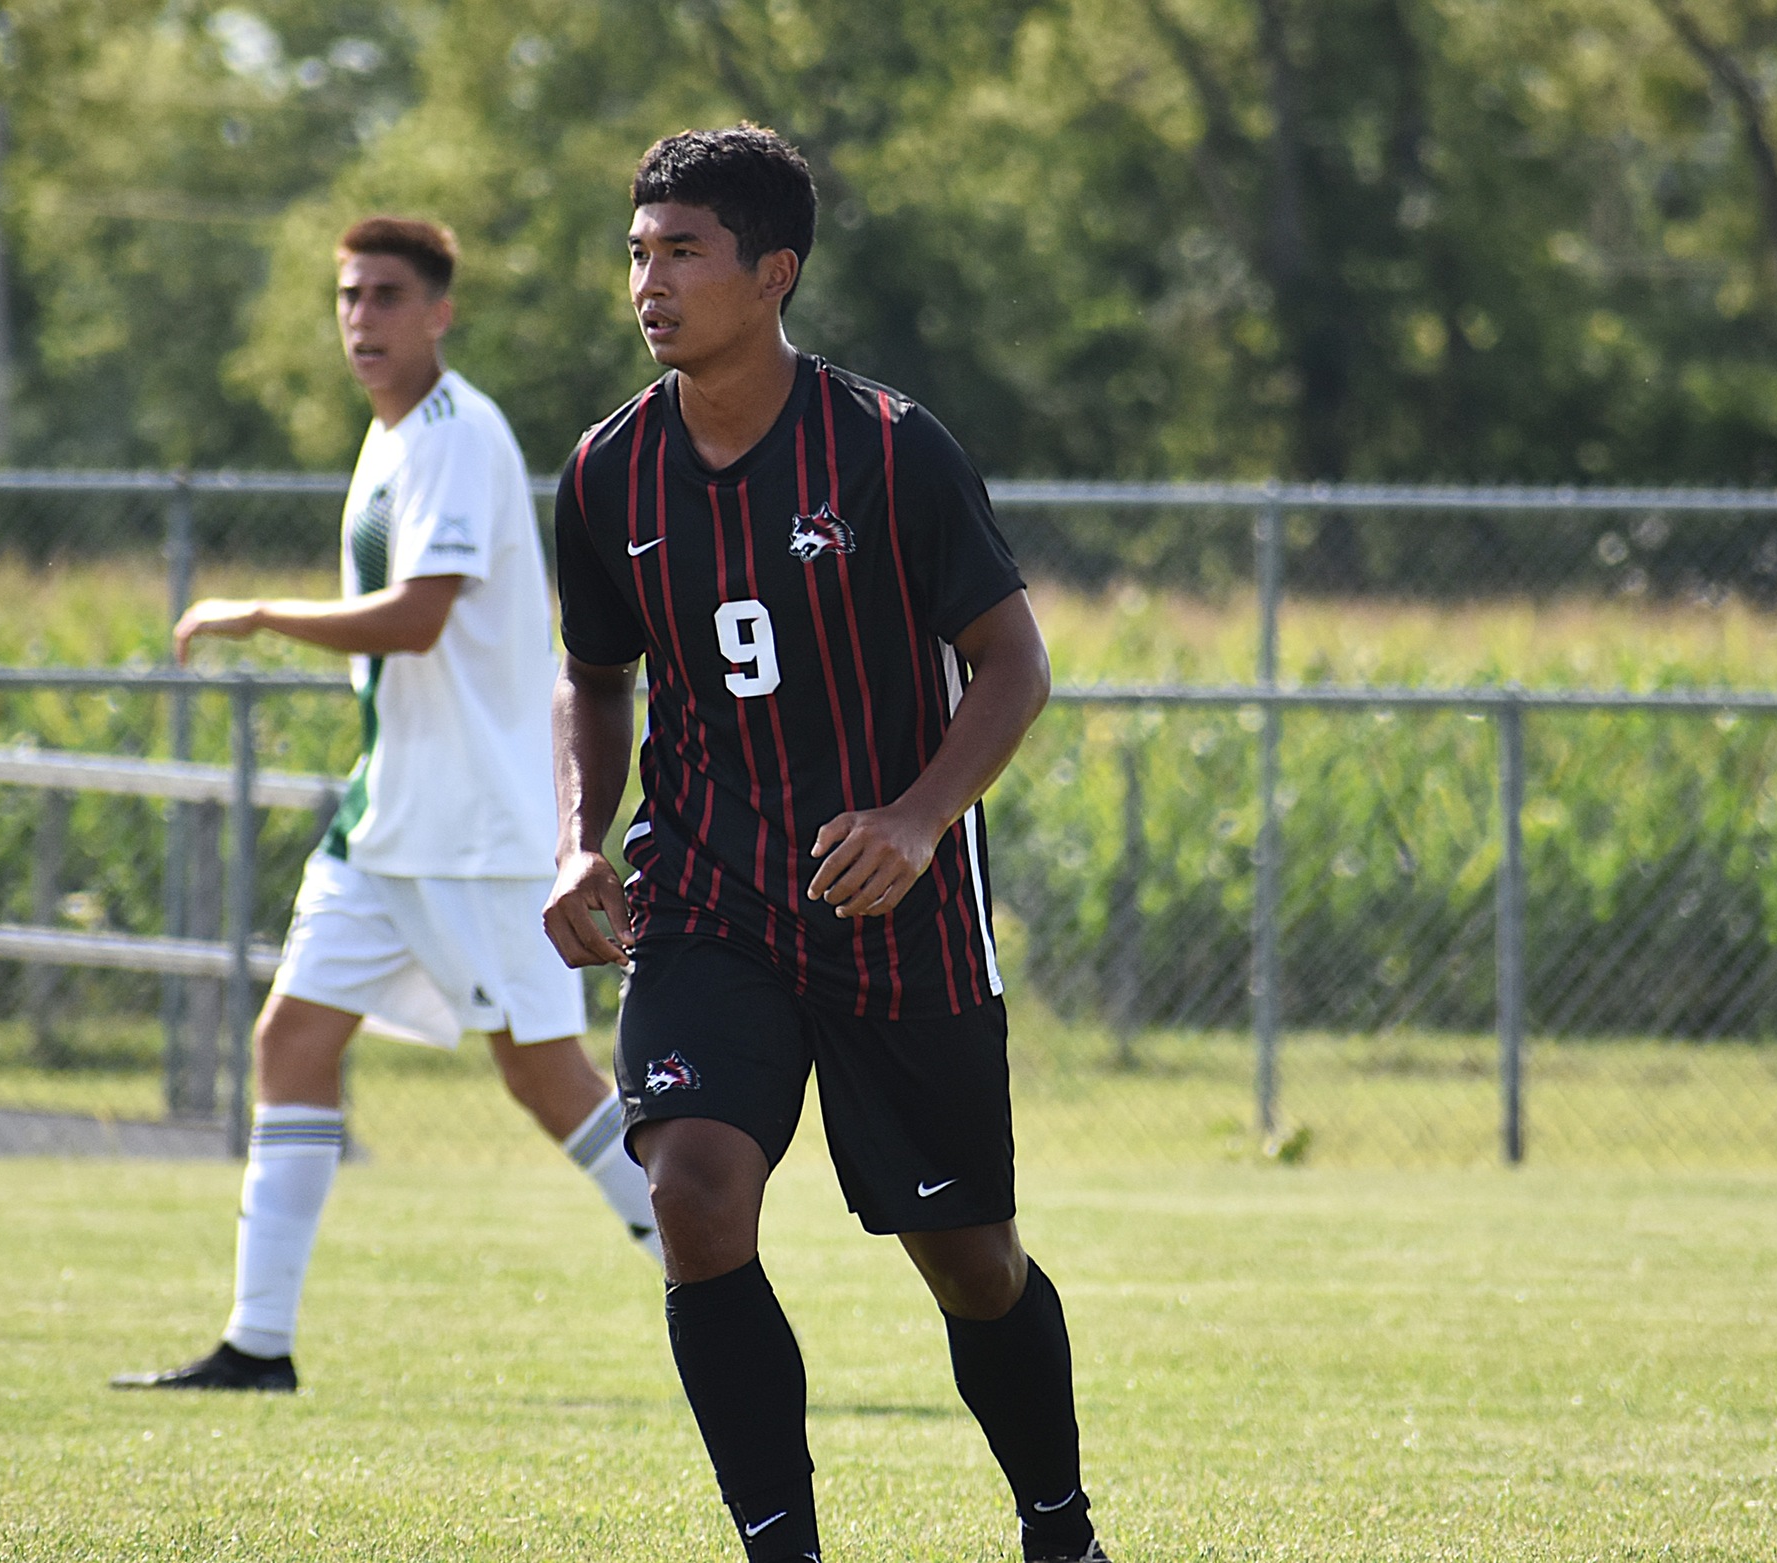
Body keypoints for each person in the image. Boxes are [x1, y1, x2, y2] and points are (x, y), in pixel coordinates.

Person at [542, 127, 1109, 1562]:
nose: (648, 284)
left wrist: (919, 820)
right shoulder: (606, 475)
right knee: (693, 1194)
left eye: (682, 252)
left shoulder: (887, 447)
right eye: (637, 252)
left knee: (970, 1261)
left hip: (891, 912)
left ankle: (1059, 1528)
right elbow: (594, 675)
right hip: (708, 894)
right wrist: (576, 838)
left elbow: (1012, 664)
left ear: (771, 272)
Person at [114, 215, 660, 1396]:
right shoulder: (391, 438)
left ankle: (706, 1272)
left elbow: (421, 615)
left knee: (544, 1076)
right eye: (349, 297)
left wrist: (258, 614)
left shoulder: (459, 438)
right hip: (387, 822)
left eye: (388, 296)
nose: (362, 319)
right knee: (292, 1041)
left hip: (476, 830)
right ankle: (258, 1345)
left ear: (439, 312)